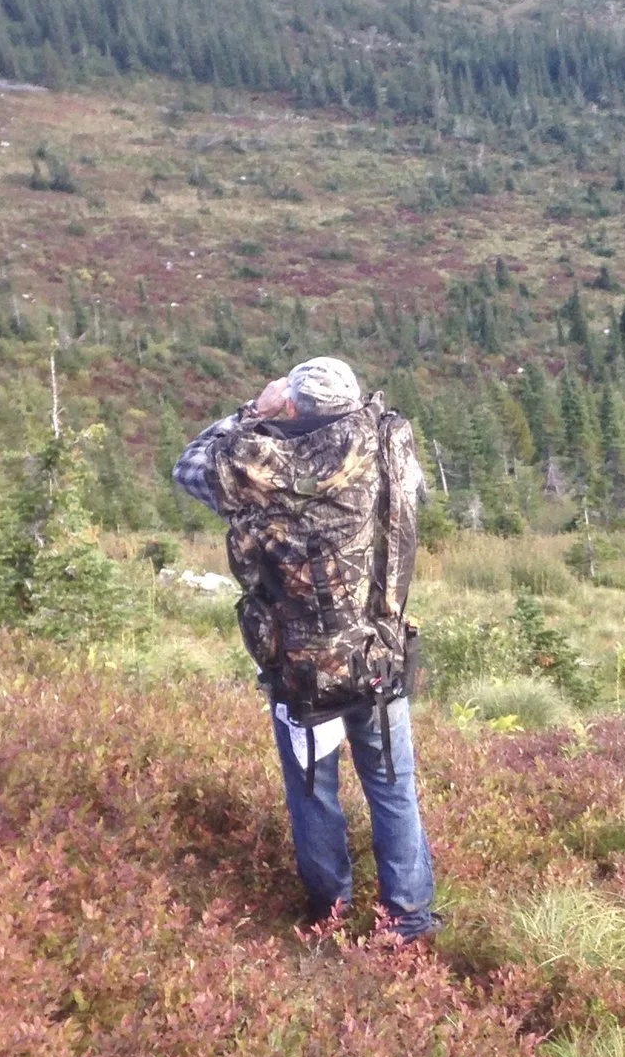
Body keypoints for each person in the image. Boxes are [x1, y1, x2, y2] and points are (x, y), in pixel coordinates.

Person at [174, 356, 437, 942]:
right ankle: (409, 921)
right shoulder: (387, 449)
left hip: (302, 672)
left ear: (290, 407)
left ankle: (331, 913)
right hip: (378, 655)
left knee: (316, 792)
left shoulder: (256, 466)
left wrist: (254, 411)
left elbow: (188, 468)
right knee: (394, 788)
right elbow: (414, 496)